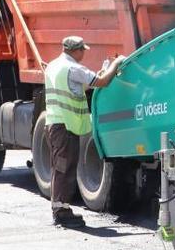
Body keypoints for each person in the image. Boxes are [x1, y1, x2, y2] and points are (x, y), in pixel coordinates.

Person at [43, 36, 124, 227]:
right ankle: (61, 212)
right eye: (82, 50)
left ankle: (60, 208)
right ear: (75, 50)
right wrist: (117, 64)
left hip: (54, 124)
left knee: (60, 168)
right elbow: (102, 82)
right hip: (66, 125)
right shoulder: (73, 68)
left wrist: (101, 72)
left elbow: (81, 85)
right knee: (65, 168)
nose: (84, 54)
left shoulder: (54, 66)